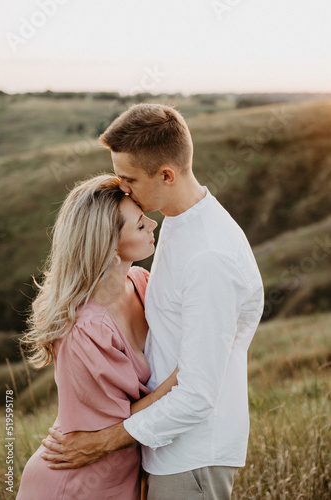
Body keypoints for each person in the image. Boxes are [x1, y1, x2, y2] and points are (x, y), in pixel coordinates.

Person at [41, 104, 264, 500]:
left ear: (166, 175)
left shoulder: (209, 257)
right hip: (164, 450)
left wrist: (102, 442)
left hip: (192, 455)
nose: (122, 188)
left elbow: (196, 395)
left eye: (128, 179)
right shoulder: (178, 224)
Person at [16, 174, 179, 500]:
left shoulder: (142, 281)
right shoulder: (84, 330)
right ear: (109, 243)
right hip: (75, 483)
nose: (153, 224)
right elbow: (111, 428)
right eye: (139, 223)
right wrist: (184, 378)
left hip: (122, 475)